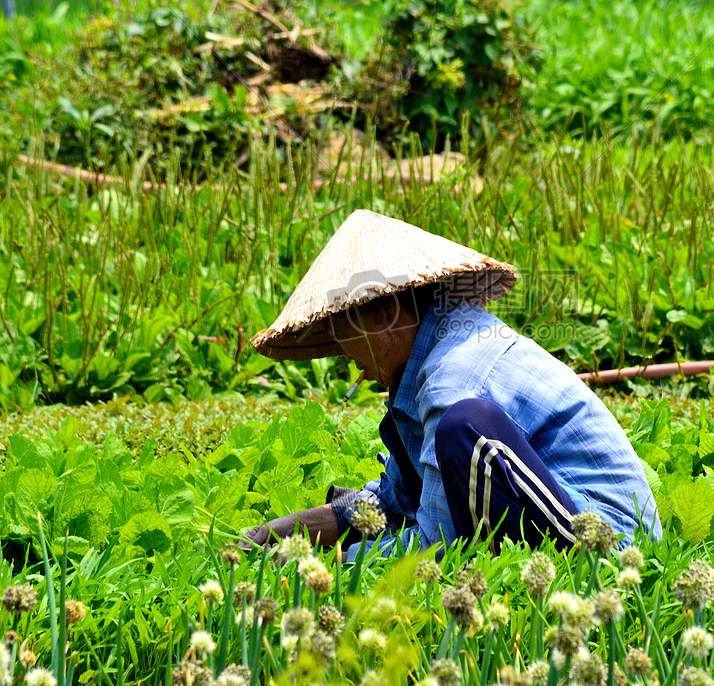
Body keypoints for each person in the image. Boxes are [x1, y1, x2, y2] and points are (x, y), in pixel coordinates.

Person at [243, 209, 660, 560]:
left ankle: (555, 570)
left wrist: (332, 566)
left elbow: (435, 545)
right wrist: (283, 533)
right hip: (562, 511)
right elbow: (398, 500)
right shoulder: (427, 362)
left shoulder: (452, 380)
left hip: (609, 542)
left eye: (342, 326)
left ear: (385, 312)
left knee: (466, 424)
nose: (343, 352)